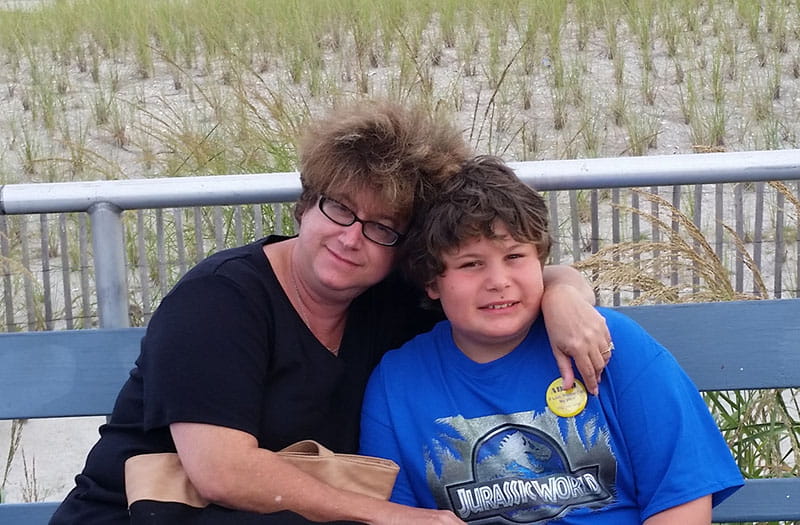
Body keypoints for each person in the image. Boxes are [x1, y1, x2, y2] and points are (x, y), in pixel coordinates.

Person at [50, 101, 610, 525]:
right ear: (305, 204)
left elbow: (495, 279)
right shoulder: (220, 300)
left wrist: (562, 291)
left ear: (406, 248)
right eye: (339, 208)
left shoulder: (391, 299)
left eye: (382, 227)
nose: (351, 238)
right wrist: (394, 516)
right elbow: (221, 470)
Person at [359, 155, 744, 524]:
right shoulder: (397, 384)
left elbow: (683, 498)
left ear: (541, 260)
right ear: (432, 282)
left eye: (515, 257)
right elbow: (394, 514)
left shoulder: (609, 342)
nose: (498, 281)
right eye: (471, 264)